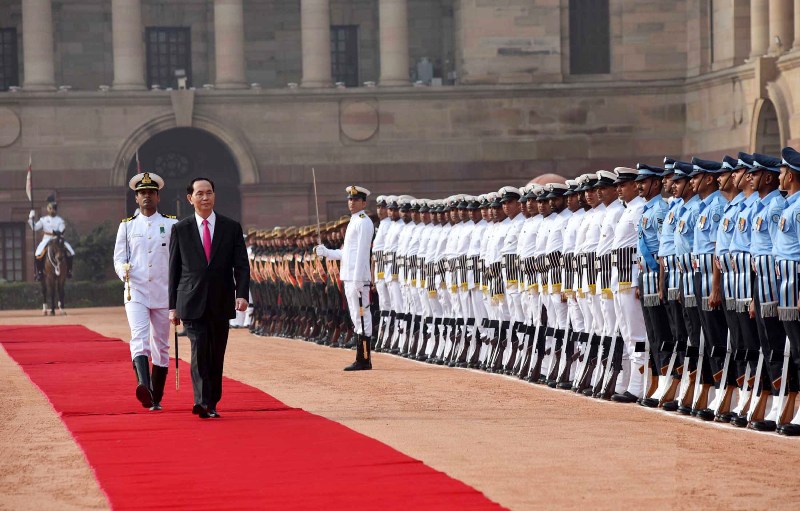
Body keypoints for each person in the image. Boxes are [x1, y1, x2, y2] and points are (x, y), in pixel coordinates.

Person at [168, 177, 250, 419]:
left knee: (216, 353)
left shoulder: (231, 227)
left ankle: (212, 400)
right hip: (191, 301)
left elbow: (241, 265)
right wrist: (172, 307)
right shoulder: (180, 229)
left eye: (209, 193)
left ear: (214, 195)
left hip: (221, 299)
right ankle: (202, 401)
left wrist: (242, 294)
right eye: (200, 193)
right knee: (199, 349)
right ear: (190, 198)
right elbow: (174, 270)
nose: (205, 198)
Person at [113, 171, 178, 410]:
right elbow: (118, 258)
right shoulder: (127, 227)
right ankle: (143, 385)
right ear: (136, 199)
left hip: (163, 292)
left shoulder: (171, 224)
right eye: (142, 193)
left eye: (151, 192)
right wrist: (123, 271)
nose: (146, 196)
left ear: (158, 197)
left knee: (160, 345)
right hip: (136, 291)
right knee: (139, 338)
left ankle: (156, 395)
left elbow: (177, 260)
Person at [315, 186, 376, 371]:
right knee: (355, 317)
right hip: (349, 277)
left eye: (356, 200)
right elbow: (346, 253)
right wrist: (326, 252)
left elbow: (363, 253)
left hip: (357, 279)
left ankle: (364, 358)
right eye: (350, 199)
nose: (352, 202)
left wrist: (358, 279)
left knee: (362, 316)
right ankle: (360, 356)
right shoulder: (353, 222)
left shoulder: (364, 222)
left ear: (364, 203)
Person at [29, 195, 75, 281]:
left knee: (71, 252)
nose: (52, 210)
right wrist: (31, 218)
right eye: (50, 209)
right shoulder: (43, 220)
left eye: (54, 209)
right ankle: (39, 273)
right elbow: (34, 227)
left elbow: (62, 229)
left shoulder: (60, 220)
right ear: (48, 209)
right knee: (38, 253)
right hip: (47, 239)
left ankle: (69, 270)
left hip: (58, 239)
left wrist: (59, 232)